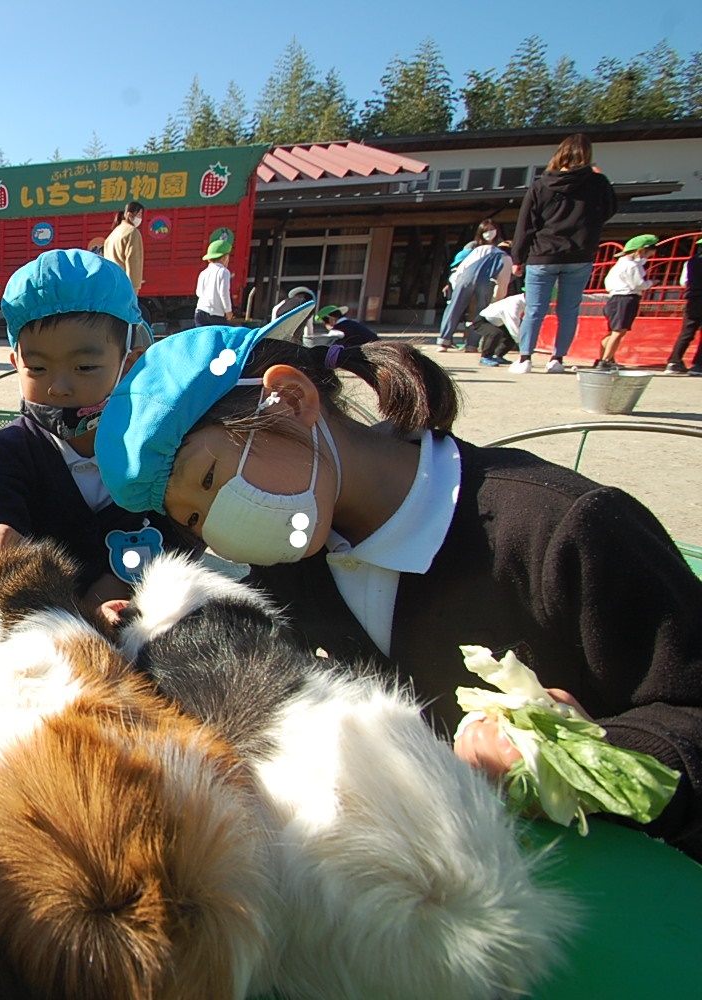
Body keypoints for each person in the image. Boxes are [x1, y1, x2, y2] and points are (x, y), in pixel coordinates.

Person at [92, 308, 702, 859]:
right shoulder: (293, 569)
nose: (221, 526)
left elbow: (686, 711)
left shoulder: (561, 529)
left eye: (210, 479)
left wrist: (579, 754)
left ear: (291, 400)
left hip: (621, 876)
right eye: (197, 519)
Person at [0, 248, 173, 609]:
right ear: (16, 363)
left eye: (84, 367)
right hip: (41, 620)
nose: (58, 388)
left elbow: (178, 539)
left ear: (129, 363)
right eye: (38, 369)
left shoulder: (158, 450)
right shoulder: (9, 451)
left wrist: (115, 588)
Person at [510, 134, 617, 375]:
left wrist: (518, 257)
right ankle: (557, 359)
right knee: (568, 310)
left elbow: (526, 224)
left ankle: (525, 358)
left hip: (543, 253)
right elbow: (610, 209)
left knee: (535, 309)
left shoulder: (542, 184)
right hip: (580, 253)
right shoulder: (598, 183)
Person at [437, 221, 510, 352]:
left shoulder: (477, 249)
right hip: (486, 282)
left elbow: (462, 267)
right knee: (480, 313)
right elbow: (502, 282)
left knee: (454, 309)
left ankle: (443, 341)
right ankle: (472, 345)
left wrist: (455, 283)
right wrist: (497, 300)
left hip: (465, 278)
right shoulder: (505, 258)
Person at [595, 234, 657, 371]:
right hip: (626, 298)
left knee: (613, 331)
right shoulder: (633, 266)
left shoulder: (619, 265)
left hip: (614, 297)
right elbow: (638, 284)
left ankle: (603, 358)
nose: (648, 258)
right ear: (641, 251)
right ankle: (606, 360)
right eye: (648, 254)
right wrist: (651, 283)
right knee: (618, 332)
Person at [666, 239, 702, 375]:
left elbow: (684, 281)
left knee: (687, 332)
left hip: (693, 297)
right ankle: (698, 365)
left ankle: (674, 362)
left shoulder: (691, 261)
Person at [102, 200, 145, 297]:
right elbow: (134, 263)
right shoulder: (132, 232)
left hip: (112, 286)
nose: (140, 218)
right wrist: (134, 290)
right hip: (124, 287)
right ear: (129, 215)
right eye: (139, 214)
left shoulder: (113, 233)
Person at [474, 291, 525, 366]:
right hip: (483, 321)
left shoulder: (523, 301)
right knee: (495, 333)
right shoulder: (513, 304)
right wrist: (522, 345)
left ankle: (498, 355)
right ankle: (485, 357)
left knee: (510, 335)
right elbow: (513, 326)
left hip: (499, 322)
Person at [192, 239, 234, 327]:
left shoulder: (203, 272)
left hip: (200, 312)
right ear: (224, 257)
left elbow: (198, 293)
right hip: (216, 315)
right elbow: (224, 293)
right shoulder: (223, 272)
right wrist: (228, 311)